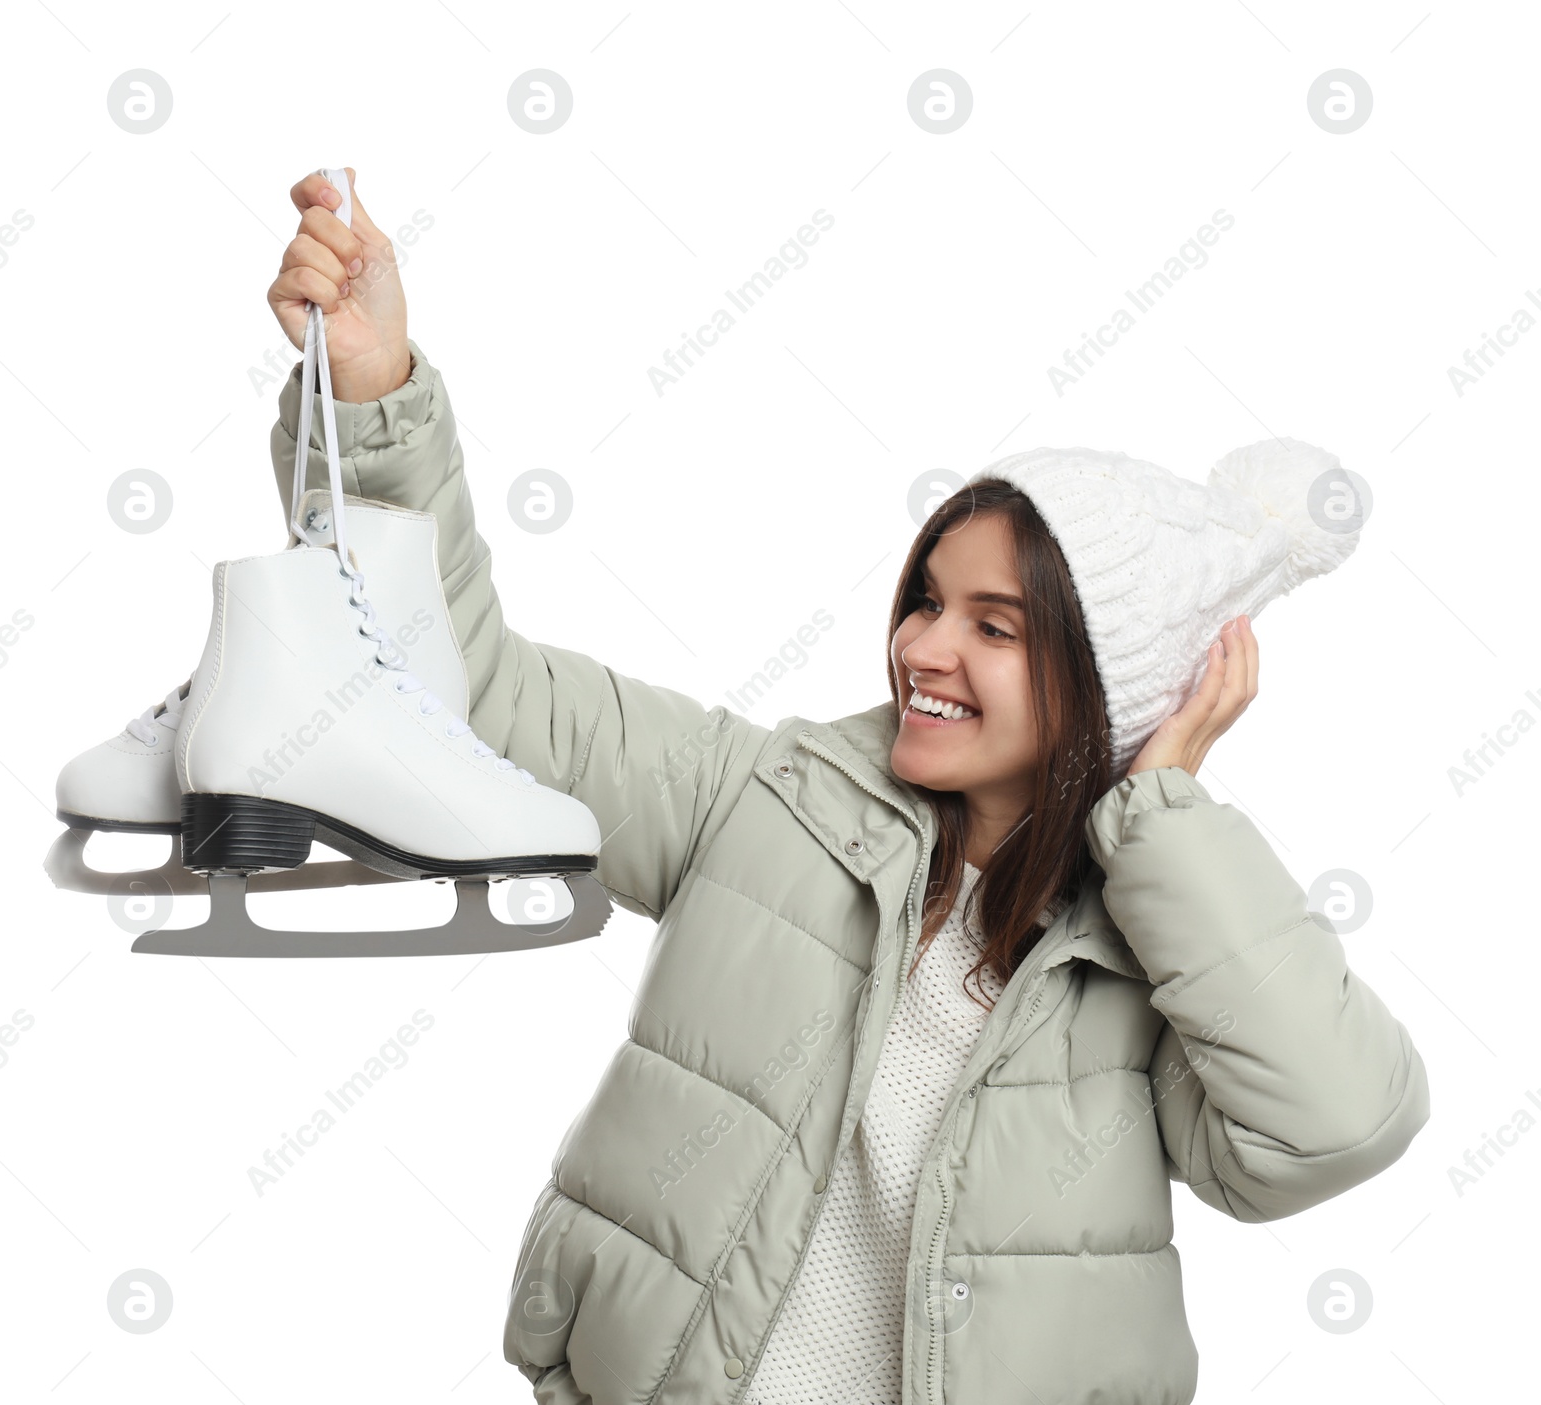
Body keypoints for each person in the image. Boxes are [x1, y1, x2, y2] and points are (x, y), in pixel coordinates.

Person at [266, 167, 1430, 1405]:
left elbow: (1333, 1127)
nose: (923, 647)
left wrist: (1161, 812)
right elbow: (472, 700)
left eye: (995, 627)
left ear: (1106, 683)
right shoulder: (767, 799)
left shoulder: (1148, 948)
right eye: (928, 600)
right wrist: (373, 396)